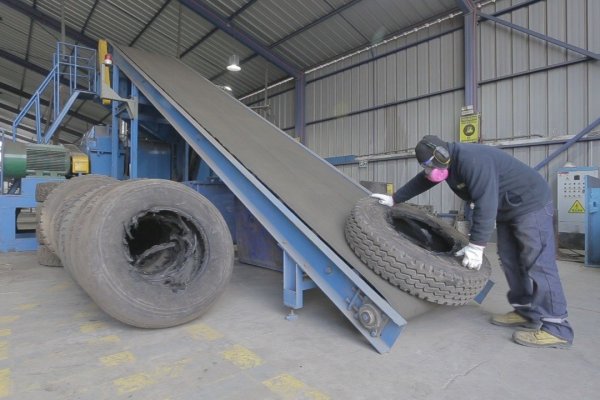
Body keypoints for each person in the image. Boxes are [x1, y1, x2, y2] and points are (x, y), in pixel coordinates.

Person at [371, 135, 573, 349]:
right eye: (427, 167)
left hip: (531, 205)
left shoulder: (472, 160)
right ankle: (526, 312)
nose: (431, 171)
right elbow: (424, 181)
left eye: (432, 166)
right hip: (508, 209)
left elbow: (486, 204)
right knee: (510, 260)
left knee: (538, 264)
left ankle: (556, 328)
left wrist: (476, 246)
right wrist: (395, 198)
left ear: (444, 154)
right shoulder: (445, 163)